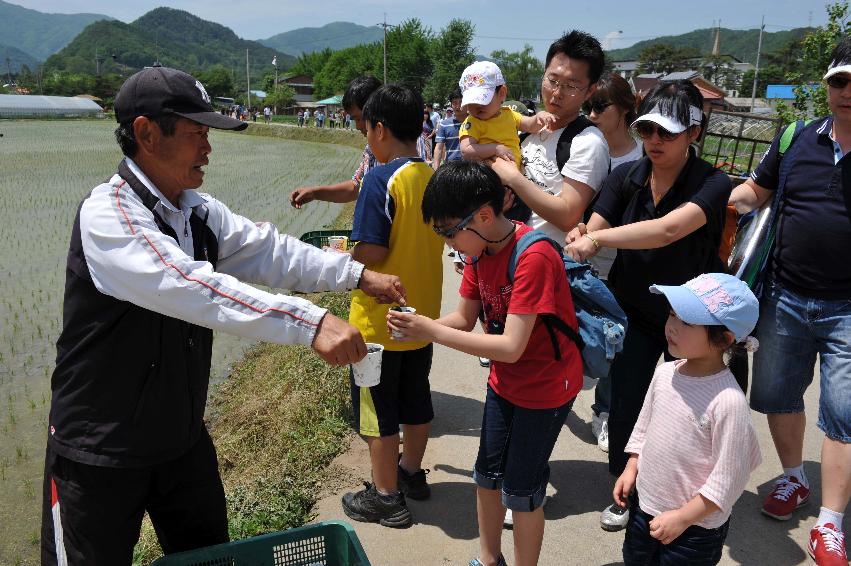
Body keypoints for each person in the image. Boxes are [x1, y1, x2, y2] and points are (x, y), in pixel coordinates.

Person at [40, 66, 407, 566]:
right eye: (196, 134)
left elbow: (269, 251)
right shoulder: (110, 215)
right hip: (99, 449)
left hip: (179, 437)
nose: (208, 149)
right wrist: (312, 323)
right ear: (147, 133)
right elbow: (194, 287)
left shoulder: (196, 212)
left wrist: (354, 275)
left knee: (211, 557)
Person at [388, 161, 583, 566]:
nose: (447, 243)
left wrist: (428, 330)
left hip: (547, 389)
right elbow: (462, 319)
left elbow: (511, 346)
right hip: (505, 383)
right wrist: (415, 327)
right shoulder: (480, 253)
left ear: (484, 216)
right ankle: (489, 559)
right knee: (487, 477)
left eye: (447, 231)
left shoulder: (534, 256)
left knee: (522, 491)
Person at [565, 80, 733, 533]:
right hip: (634, 309)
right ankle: (624, 489)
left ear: (694, 134)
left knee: (690, 411)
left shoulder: (713, 183)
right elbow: (597, 221)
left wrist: (596, 237)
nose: (654, 141)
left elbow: (665, 231)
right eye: (647, 130)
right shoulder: (628, 176)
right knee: (628, 402)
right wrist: (584, 234)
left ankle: (688, 495)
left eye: (667, 132)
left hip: (695, 318)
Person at [729, 37, 851, 566]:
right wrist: (730, 197)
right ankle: (794, 477)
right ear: (827, 84)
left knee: (844, 413)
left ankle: (830, 524)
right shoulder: (796, 135)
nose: (848, 92)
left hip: (849, 308)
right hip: (785, 295)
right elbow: (757, 190)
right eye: (840, 80)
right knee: (777, 395)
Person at [340, 84, 444, 529]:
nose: (367, 138)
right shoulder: (433, 177)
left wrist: (343, 256)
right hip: (422, 319)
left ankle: (386, 497)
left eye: (366, 129)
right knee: (416, 400)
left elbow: (372, 252)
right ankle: (412, 474)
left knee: (377, 411)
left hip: (378, 325)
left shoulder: (382, 178)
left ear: (379, 129)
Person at [615, 273, 762, 566]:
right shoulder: (665, 373)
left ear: (725, 338)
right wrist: (632, 465)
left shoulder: (727, 401)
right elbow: (644, 427)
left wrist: (682, 517)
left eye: (687, 321)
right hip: (646, 506)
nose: (672, 326)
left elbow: (728, 480)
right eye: (672, 314)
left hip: (695, 528)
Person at [490, 31, 610, 243]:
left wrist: (513, 179)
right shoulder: (525, 129)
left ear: (590, 91)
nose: (557, 93)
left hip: (547, 263)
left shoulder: (588, 142)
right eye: (552, 80)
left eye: (571, 86)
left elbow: (567, 216)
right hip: (504, 253)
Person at [581, 71, 644, 453]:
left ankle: (603, 411)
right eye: (588, 106)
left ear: (624, 109)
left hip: (626, 263)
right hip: (581, 256)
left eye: (599, 106)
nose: (591, 114)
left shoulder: (643, 154)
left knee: (614, 339)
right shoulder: (585, 146)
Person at [289, 76, 430, 209]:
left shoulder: (413, 144)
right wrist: (315, 192)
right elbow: (356, 186)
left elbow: (419, 195)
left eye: (359, 118)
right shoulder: (371, 149)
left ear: (375, 110)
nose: (357, 126)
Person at [458, 60, 556, 169]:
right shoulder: (473, 122)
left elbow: (530, 126)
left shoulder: (509, 114)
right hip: (488, 175)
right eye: (471, 101)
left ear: (502, 93)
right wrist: (495, 148)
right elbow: (466, 151)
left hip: (513, 173)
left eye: (482, 99)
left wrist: (539, 117)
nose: (477, 105)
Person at [433, 87, 467, 169]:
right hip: (451, 168)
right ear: (451, 104)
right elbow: (439, 148)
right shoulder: (444, 124)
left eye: (461, 102)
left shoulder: (476, 122)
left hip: (471, 168)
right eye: (454, 103)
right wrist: (436, 170)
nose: (458, 106)